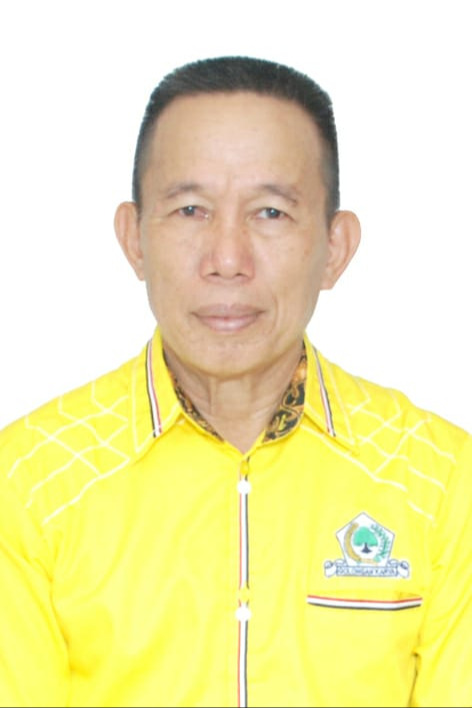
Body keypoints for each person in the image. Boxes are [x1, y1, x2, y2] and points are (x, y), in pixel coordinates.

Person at [0, 56, 471, 708]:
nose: (227, 259)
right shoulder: (29, 482)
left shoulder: (442, 481)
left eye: (270, 213)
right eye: (191, 209)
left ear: (335, 248)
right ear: (134, 238)